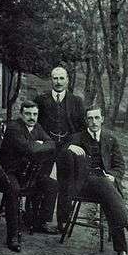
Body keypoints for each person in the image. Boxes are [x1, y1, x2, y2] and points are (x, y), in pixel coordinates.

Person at [61, 106, 128, 255]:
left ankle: (122, 251)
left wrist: (112, 176)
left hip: (106, 184)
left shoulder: (110, 139)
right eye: (90, 118)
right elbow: (60, 153)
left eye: (96, 118)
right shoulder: (77, 137)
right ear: (86, 120)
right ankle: (127, 226)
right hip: (84, 184)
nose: (93, 122)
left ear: (102, 119)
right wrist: (69, 147)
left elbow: (120, 166)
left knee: (109, 198)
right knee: (108, 191)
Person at [0, 100, 58, 252]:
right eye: (28, 114)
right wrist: (39, 144)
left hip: (25, 174)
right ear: (21, 114)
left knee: (51, 185)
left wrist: (38, 144)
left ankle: (39, 222)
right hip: (5, 172)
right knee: (14, 190)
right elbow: (29, 150)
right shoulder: (14, 128)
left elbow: (52, 144)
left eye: (35, 114)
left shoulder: (37, 127)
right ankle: (12, 236)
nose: (32, 117)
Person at [35, 66, 85, 232]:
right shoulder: (41, 100)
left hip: (67, 147)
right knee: (42, 180)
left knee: (66, 183)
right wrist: (42, 141)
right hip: (47, 146)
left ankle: (63, 220)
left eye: (62, 78)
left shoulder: (76, 101)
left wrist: (71, 143)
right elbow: (35, 124)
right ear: (51, 80)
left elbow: (80, 128)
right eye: (55, 78)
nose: (58, 82)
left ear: (67, 80)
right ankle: (39, 220)